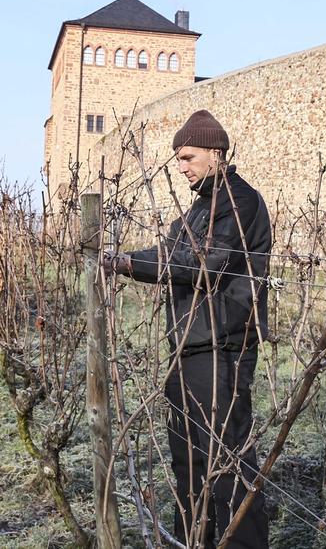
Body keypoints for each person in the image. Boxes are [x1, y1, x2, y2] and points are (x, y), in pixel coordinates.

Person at [103, 109, 270, 549]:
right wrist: (117, 257)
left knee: (227, 460)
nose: (181, 167)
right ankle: (194, 540)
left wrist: (126, 265)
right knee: (189, 462)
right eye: (178, 159)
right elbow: (168, 250)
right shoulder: (199, 207)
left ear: (216, 153)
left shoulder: (238, 202)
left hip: (223, 347)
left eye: (188, 157)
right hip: (190, 346)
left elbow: (202, 263)